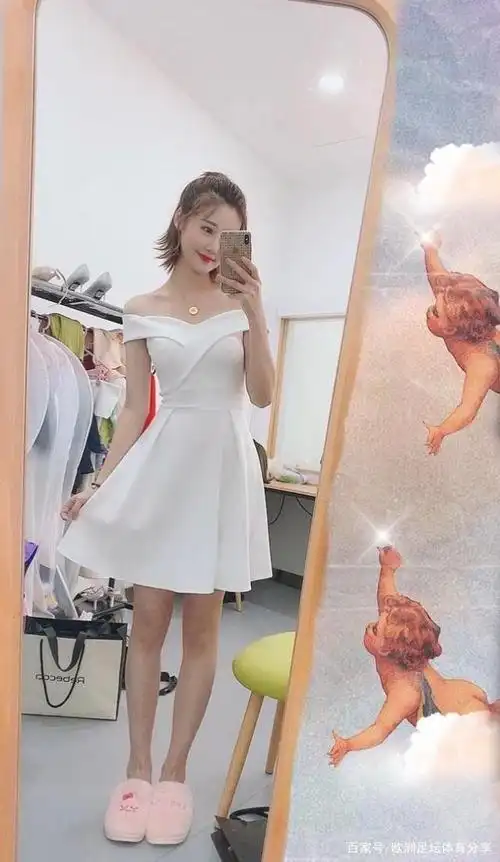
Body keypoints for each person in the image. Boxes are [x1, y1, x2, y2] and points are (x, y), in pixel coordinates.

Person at [58, 172, 275, 845]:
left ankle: (176, 775)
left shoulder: (240, 303)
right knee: (148, 625)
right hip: (165, 471)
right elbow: (131, 409)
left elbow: (262, 394)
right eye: (206, 227)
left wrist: (257, 310)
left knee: (202, 632)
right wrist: (98, 486)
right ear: (181, 220)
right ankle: (137, 771)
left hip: (220, 474)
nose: (212, 245)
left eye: (227, 234)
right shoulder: (141, 307)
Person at [328, 546, 499, 768]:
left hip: (462, 718)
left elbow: (380, 729)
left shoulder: (404, 691)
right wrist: (387, 570)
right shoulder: (398, 643)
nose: (369, 626)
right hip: (461, 692)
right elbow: (387, 600)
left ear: (387, 650)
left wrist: (349, 744)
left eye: (375, 630)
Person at [421, 230, 500, 455]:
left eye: (435, 312)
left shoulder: (481, 362)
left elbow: (467, 409)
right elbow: (436, 275)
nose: (429, 311)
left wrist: (442, 430)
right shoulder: (453, 308)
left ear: (452, 330)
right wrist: (430, 248)